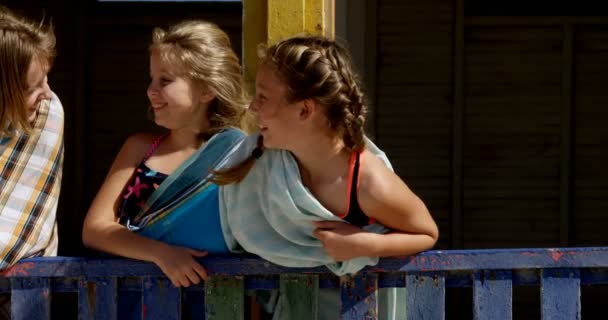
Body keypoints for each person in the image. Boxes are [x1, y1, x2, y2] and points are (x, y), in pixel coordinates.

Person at [214, 35, 439, 319]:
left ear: (305, 110)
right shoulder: (265, 158)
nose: (251, 108)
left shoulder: (368, 181)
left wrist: (363, 245)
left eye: (263, 97)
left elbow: (426, 232)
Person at [82, 20, 252, 288]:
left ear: (207, 89)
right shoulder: (139, 149)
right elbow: (94, 229)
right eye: (151, 79)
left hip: (214, 301)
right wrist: (161, 254)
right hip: (128, 300)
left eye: (165, 80)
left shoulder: (239, 154)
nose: (151, 90)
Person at [0, 5, 63, 271]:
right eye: (32, 87)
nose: (46, 93)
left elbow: (15, 232)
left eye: (46, 79)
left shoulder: (44, 114)